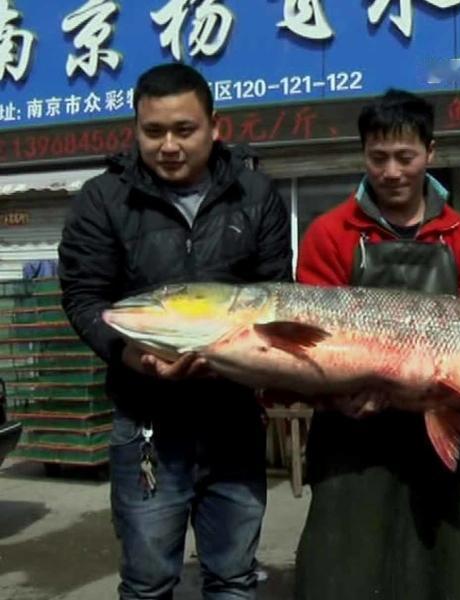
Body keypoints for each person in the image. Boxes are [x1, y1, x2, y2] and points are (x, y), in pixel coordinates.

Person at [58, 63, 292, 599]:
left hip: (233, 417)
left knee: (233, 578)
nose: (168, 146)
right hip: (145, 420)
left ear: (214, 126)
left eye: (184, 130)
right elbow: (84, 298)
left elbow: (277, 293)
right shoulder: (103, 199)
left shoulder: (255, 194)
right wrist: (133, 357)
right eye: (153, 131)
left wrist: (233, 359)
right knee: (147, 582)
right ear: (136, 129)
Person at [293, 89, 460, 600]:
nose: (391, 172)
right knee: (348, 576)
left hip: (446, 428)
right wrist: (337, 396)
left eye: (405, 157)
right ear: (363, 155)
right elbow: (309, 342)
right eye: (378, 157)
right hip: (352, 439)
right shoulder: (330, 234)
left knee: (454, 577)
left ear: (430, 152)